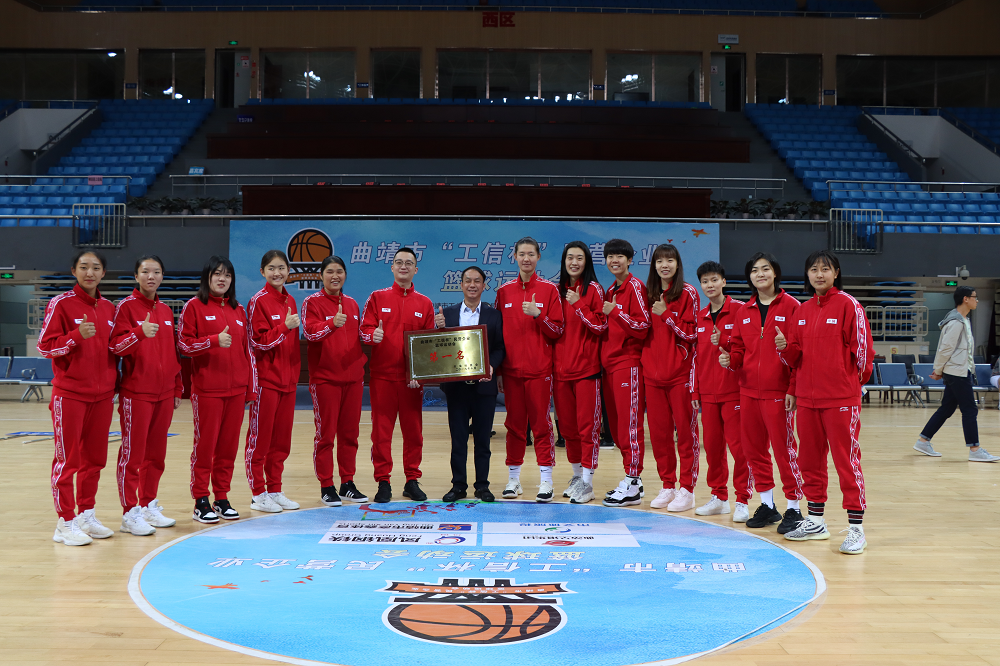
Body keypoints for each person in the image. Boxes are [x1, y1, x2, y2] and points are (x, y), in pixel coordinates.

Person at [778, 251, 875, 554]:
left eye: (825, 269)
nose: (819, 274)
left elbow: (863, 353)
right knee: (809, 461)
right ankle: (816, 520)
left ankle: (856, 529)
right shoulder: (802, 310)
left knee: (846, 461)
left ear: (836, 273)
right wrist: (784, 350)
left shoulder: (849, 305)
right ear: (807, 274)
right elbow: (795, 358)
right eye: (813, 269)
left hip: (840, 399)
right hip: (807, 400)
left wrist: (850, 385)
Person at [719, 252, 805, 532]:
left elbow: (799, 353)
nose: (760, 274)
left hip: (779, 392)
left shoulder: (792, 307)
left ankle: (794, 508)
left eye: (765, 269)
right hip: (748, 392)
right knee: (754, 451)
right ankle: (768, 505)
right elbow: (738, 349)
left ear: (775, 273)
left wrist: (792, 388)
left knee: (784, 451)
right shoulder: (744, 311)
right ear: (750, 277)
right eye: (754, 270)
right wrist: (730, 360)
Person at [38, 250, 118, 546]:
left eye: (96, 268)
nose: (90, 273)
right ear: (74, 270)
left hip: (102, 397)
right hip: (70, 395)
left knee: (94, 460)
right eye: (84, 267)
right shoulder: (60, 304)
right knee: (67, 460)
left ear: (103, 273)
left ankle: (86, 514)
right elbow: (45, 347)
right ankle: (65, 521)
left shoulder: (109, 308)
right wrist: (75, 336)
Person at [178, 256, 257, 523]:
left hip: (236, 391)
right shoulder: (194, 306)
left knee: (227, 449)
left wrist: (250, 388)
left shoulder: (239, 310)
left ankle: (221, 497)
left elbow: (247, 351)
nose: (222, 279)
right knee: (205, 447)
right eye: (217, 274)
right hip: (208, 390)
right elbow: (184, 345)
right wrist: (213, 340)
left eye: (227, 275)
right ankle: (201, 499)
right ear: (207, 277)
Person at [109, 254, 183, 536]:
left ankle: (148, 504)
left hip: (164, 393)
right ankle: (129, 513)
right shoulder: (126, 307)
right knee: (133, 455)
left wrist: (176, 386)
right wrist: (139, 333)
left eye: (156, 272)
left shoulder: (164, 310)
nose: (151, 277)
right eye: (145, 272)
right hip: (136, 393)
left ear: (162, 276)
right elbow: (116, 347)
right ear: (136, 276)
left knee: (156, 455)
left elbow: (173, 353)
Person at [360, 246, 436, 503]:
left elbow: (429, 346)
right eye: (399, 262)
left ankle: (412, 480)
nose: (404, 266)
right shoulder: (377, 297)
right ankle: (383, 481)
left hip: (411, 382)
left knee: (414, 433)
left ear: (416, 269)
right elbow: (364, 329)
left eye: (409, 263)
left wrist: (420, 374)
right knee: (381, 433)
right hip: (382, 378)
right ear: (392, 267)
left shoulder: (425, 303)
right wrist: (372, 335)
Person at [494, 237, 564, 502]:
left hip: (540, 371)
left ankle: (546, 481)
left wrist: (538, 315)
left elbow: (557, 330)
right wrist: (499, 371)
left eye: (531, 254)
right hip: (511, 372)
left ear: (538, 258)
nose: (526, 259)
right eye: (522, 254)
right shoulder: (503, 292)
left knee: (542, 425)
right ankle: (513, 480)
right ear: (514, 257)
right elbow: (497, 335)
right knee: (514, 426)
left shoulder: (549, 290)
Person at [301, 256, 369, 507]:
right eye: (329, 271)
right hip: (326, 379)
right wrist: (331, 323)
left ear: (345, 275)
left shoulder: (352, 303)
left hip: (353, 379)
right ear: (321, 275)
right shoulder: (311, 302)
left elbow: (360, 335)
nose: (335, 276)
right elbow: (310, 333)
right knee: (326, 435)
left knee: (350, 434)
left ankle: (347, 483)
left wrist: (373, 336)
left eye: (339, 271)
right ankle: (326, 485)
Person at [435, 266, 506, 502]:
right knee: (458, 440)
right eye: (468, 281)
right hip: (456, 388)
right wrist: (438, 328)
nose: (472, 285)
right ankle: (458, 486)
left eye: (477, 281)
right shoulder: (447, 314)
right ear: (461, 285)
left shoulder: (494, 315)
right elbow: (439, 347)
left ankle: (482, 486)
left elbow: (499, 348)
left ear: (484, 286)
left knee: (483, 440)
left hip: (484, 387)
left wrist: (491, 366)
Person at [691, 261, 753, 522]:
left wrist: (726, 343)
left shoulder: (740, 310)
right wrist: (695, 391)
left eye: (714, 280)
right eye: (705, 281)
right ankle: (719, 497)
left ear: (724, 282)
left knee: (740, 449)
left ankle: (742, 499)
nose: (710, 285)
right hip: (707, 394)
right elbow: (696, 358)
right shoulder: (700, 316)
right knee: (713, 448)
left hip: (735, 391)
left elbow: (749, 348)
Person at [642, 244, 701, 512]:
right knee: (659, 436)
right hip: (652, 376)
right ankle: (668, 485)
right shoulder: (649, 294)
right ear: (653, 266)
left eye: (669, 260)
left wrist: (666, 315)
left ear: (678, 264)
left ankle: (687, 489)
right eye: (659, 261)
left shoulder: (688, 292)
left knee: (686, 434)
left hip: (679, 376)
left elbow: (692, 334)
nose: (664, 265)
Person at [245, 250, 302, 513]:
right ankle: (258, 494)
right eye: (271, 268)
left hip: (288, 381)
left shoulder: (290, 299)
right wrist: (284, 327)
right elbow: (257, 342)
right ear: (262, 272)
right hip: (266, 381)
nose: (277, 273)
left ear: (288, 271)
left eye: (281, 268)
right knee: (260, 441)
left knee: (281, 442)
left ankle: (275, 489)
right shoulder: (258, 301)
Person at [914, 285, 999, 462]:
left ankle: (923, 441)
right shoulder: (955, 322)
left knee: (947, 408)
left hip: (959, 370)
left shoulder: (964, 320)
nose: (977, 300)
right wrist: (938, 370)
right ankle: (975, 449)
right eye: (975, 297)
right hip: (957, 372)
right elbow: (945, 349)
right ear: (965, 299)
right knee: (970, 409)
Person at [552, 242, 607, 504]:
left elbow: (600, 326)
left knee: (588, 429)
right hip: (560, 372)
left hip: (586, 370)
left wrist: (578, 304)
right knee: (568, 430)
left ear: (587, 262)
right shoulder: (557, 290)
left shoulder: (593, 289)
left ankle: (588, 482)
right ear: (564, 261)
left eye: (580, 258)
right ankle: (576, 476)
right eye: (570, 258)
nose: (574, 262)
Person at [600, 238, 651, 507]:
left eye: (620, 256)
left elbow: (643, 326)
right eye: (610, 256)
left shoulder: (635, 286)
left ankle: (632, 481)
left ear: (630, 260)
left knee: (630, 426)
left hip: (628, 364)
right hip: (610, 366)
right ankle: (634, 480)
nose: (614, 260)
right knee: (619, 429)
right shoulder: (611, 289)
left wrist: (617, 312)